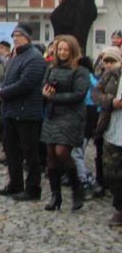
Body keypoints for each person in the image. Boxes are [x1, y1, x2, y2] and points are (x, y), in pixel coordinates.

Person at [0, 24, 48, 202]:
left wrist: (3, 92)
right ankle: (15, 184)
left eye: (19, 35)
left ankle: (33, 188)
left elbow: (26, 83)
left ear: (27, 37)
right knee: (11, 149)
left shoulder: (34, 58)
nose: (15, 38)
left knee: (30, 152)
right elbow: (6, 79)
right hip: (11, 111)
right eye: (13, 35)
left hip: (27, 112)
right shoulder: (15, 57)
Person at [39, 35, 91, 211]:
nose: (62, 52)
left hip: (71, 116)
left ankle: (77, 189)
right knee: (50, 153)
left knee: (62, 151)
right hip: (53, 115)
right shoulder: (51, 68)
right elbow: (45, 86)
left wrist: (53, 96)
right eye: (59, 49)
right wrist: (47, 91)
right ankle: (56, 196)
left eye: (65, 50)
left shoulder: (80, 70)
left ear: (72, 51)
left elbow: (78, 94)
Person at [91, 47, 122, 226]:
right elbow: (95, 94)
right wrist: (111, 102)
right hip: (112, 128)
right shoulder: (112, 74)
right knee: (112, 172)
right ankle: (119, 205)